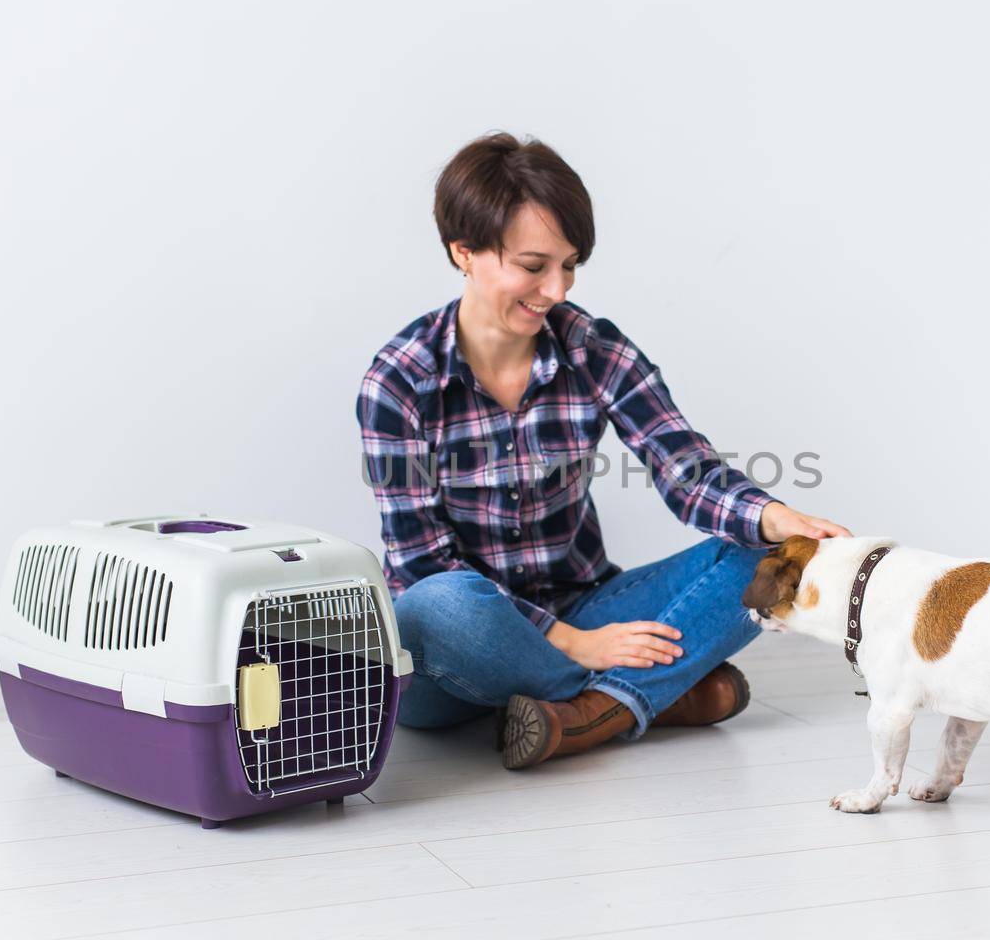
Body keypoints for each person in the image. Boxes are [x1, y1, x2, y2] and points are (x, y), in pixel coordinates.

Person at [357, 132, 849, 769]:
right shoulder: (398, 381)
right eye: (534, 266)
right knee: (437, 606)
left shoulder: (594, 348)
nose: (556, 290)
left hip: (586, 602)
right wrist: (576, 646)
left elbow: (685, 468)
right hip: (455, 650)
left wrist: (776, 518)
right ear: (464, 252)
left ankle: (587, 714)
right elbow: (424, 565)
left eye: (569, 265)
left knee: (768, 557)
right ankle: (640, 699)